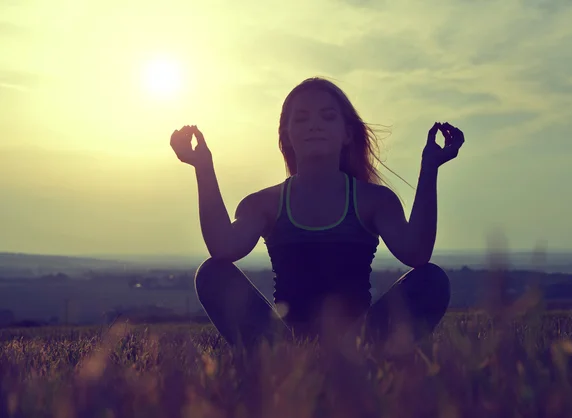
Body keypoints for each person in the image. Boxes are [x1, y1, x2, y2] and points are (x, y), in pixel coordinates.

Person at [170, 77, 465, 352]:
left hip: (360, 346)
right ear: (286, 134)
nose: (314, 125)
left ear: (346, 133)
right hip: (285, 348)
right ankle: (286, 363)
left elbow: (416, 253)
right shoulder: (265, 203)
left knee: (433, 280)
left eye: (327, 116)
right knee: (211, 273)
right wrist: (202, 166)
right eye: (301, 119)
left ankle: (356, 363)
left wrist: (430, 168)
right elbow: (223, 248)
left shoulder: (373, 200)